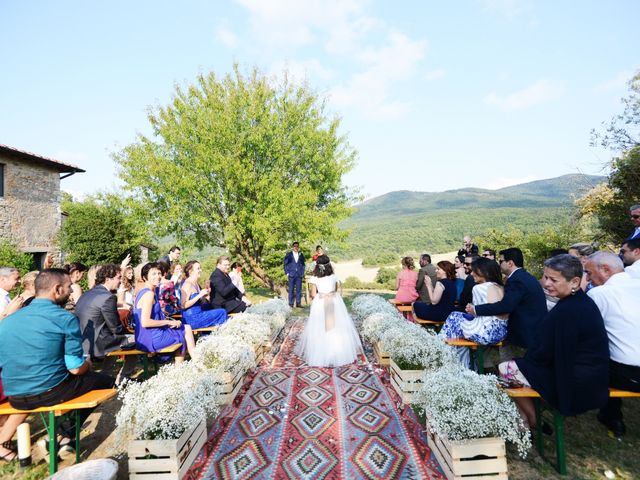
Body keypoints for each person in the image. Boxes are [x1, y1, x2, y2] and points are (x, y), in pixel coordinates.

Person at [0, 269, 114, 455]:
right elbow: (75, 368)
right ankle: (61, 436)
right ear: (58, 289)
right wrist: (87, 365)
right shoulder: (65, 318)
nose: (71, 291)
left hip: (15, 393)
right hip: (49, 390)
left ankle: (61, 438)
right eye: (69, 287)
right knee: (105, 381)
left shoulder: (8, 320)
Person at [498, 255, 609, 428]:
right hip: (590, 375)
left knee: (505, 369)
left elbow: (552, 352)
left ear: (574, 282)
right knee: (515, 367)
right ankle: (528, 419)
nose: (546, 283)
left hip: (576, 380)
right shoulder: (578, 302)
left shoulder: (569, 310)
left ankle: (531, 420)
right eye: (546, 277)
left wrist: (529, 361)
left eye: (553, 279)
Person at [584, 252, 640, 437]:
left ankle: (612, 418)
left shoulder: (600, 293)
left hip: (629, 374)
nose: (588, 279)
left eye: (589, 273)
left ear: (605, 270)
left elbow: (584, 331)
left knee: (598, 359)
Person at [466, 248, 546, 353]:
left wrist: (476, 309)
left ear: (510, 263)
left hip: (525, 334)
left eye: (500, 261)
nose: (498, 265)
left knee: (514, 365)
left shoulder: (517, 280)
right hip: (533, 331)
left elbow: (506, 306)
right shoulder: (524, 276)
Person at [295, 255, 362, 367]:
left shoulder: (315, 279)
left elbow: (312, 294)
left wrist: (319, 294)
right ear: (329, 265)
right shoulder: (334, 276)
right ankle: (337, 353)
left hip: (320, 302)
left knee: (319, 326)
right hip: (333, 301)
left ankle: (320, 353)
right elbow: (335, 289)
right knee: (336, 326)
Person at [76, 264, 138, 385]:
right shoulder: (108, 297)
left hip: (82, 340)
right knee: (137, 340)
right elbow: (115, 328)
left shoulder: (87, 293)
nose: (120, 281)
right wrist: (130, 332)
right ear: (108, 279)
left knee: (118, 341)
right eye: (118, 277)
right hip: (97, 343)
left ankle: (106, 376)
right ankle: (123, 378)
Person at [441, 257, 508, 366]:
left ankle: (446, 356)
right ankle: (461, 362)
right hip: (500, 333)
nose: (471, 274)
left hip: (486, 333)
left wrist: (471, 310)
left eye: (474, 271)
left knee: (453, 317)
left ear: (483, 272)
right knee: (456, 319)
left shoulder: (479, 288)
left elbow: (478, 316)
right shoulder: (500, 287)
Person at [134, 262, 195, 362]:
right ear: (145, 277)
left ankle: (191, 363)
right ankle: (184, 368)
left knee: (186, 328)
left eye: (159, 273)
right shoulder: (149, 294)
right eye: (153, 274)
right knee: (183, 334)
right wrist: (169, 322)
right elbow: (145, 322)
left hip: (145, 336)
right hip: (151, 338)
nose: (157, 277)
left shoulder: (145, 291)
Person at [180, 261, 227, 328]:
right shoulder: (187, 284)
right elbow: (183, 305)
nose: (200, 270)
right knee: (222, 312)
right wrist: (199, 295)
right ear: (190, 271)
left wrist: (206, 296)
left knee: (217, 308)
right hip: (193, 319)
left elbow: (199, 303)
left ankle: (209, 335)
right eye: (198, 268)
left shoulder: (195, 284)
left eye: (200, 268)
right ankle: (216, 335)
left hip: (200, 314)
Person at [284, 242, 305, 308]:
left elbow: (303, 264)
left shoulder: (301, 254)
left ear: (298, 247)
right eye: (295, 246)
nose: (296, 247)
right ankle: (291, 303)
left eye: (297, 246)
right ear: (293, 247)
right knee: (291, 289)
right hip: (291, 274)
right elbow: (285, 264)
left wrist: (302, 272)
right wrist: (287, 273)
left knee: (299, 289)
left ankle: (298, 303)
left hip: (299, 274)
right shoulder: (288, 254)